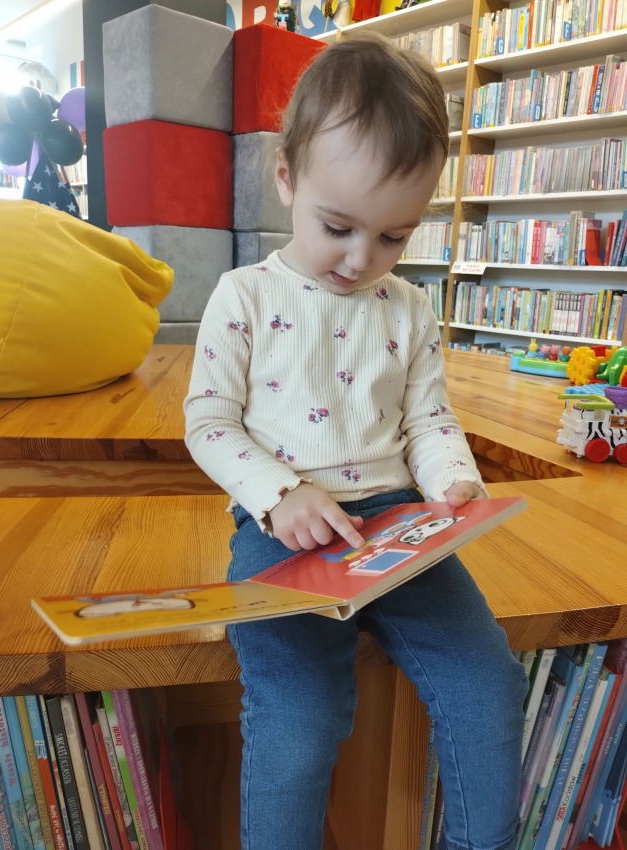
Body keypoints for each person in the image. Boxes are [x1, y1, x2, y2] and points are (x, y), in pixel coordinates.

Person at [184, 33, 527, 850]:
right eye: (337, 226)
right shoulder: (243, 294)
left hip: (397, 526)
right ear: (286, 177)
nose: (359, 258)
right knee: (299, 714)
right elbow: (208, 423)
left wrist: (452, 484)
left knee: (488, 682)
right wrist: (279, 495)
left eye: (393, 237)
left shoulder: (407, 308)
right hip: (279, 533)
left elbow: (426, 420)